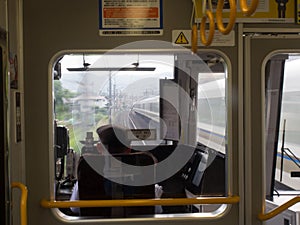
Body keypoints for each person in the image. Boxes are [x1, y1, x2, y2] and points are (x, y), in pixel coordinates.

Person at [70, 124, 163, 214]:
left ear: (99, 148)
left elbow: (74, 208)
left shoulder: (88, 174)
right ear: (128, 149)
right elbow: (157, 210)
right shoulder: (144, 176)